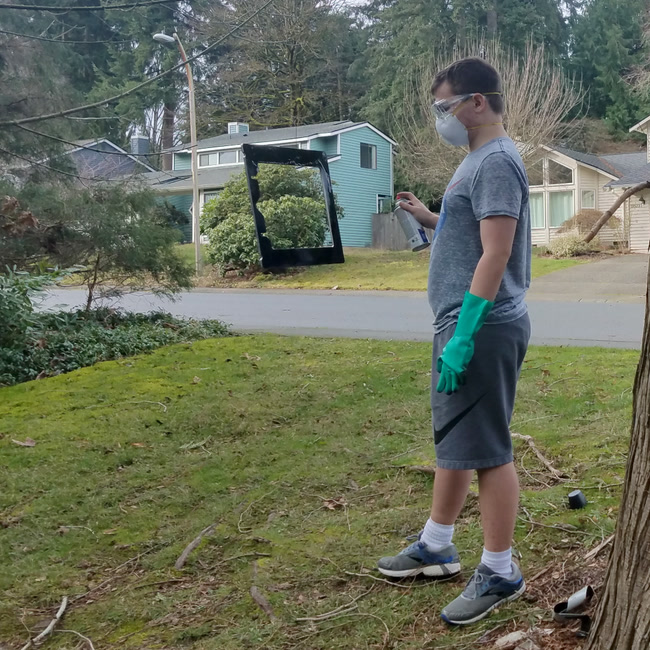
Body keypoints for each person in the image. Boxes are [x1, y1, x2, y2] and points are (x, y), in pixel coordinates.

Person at [377, 57, 532, 626]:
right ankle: (437, 544)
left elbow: (497, 252)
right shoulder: (476, 161)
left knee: (487, 448)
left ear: (476, 102)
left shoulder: (495, 160)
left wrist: (465, 334)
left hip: (482, 327)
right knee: (456, 438)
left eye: (443, 106)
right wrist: (430, 216)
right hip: (461, 323)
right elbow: (473, 234)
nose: (438, 117)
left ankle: (500, 570)